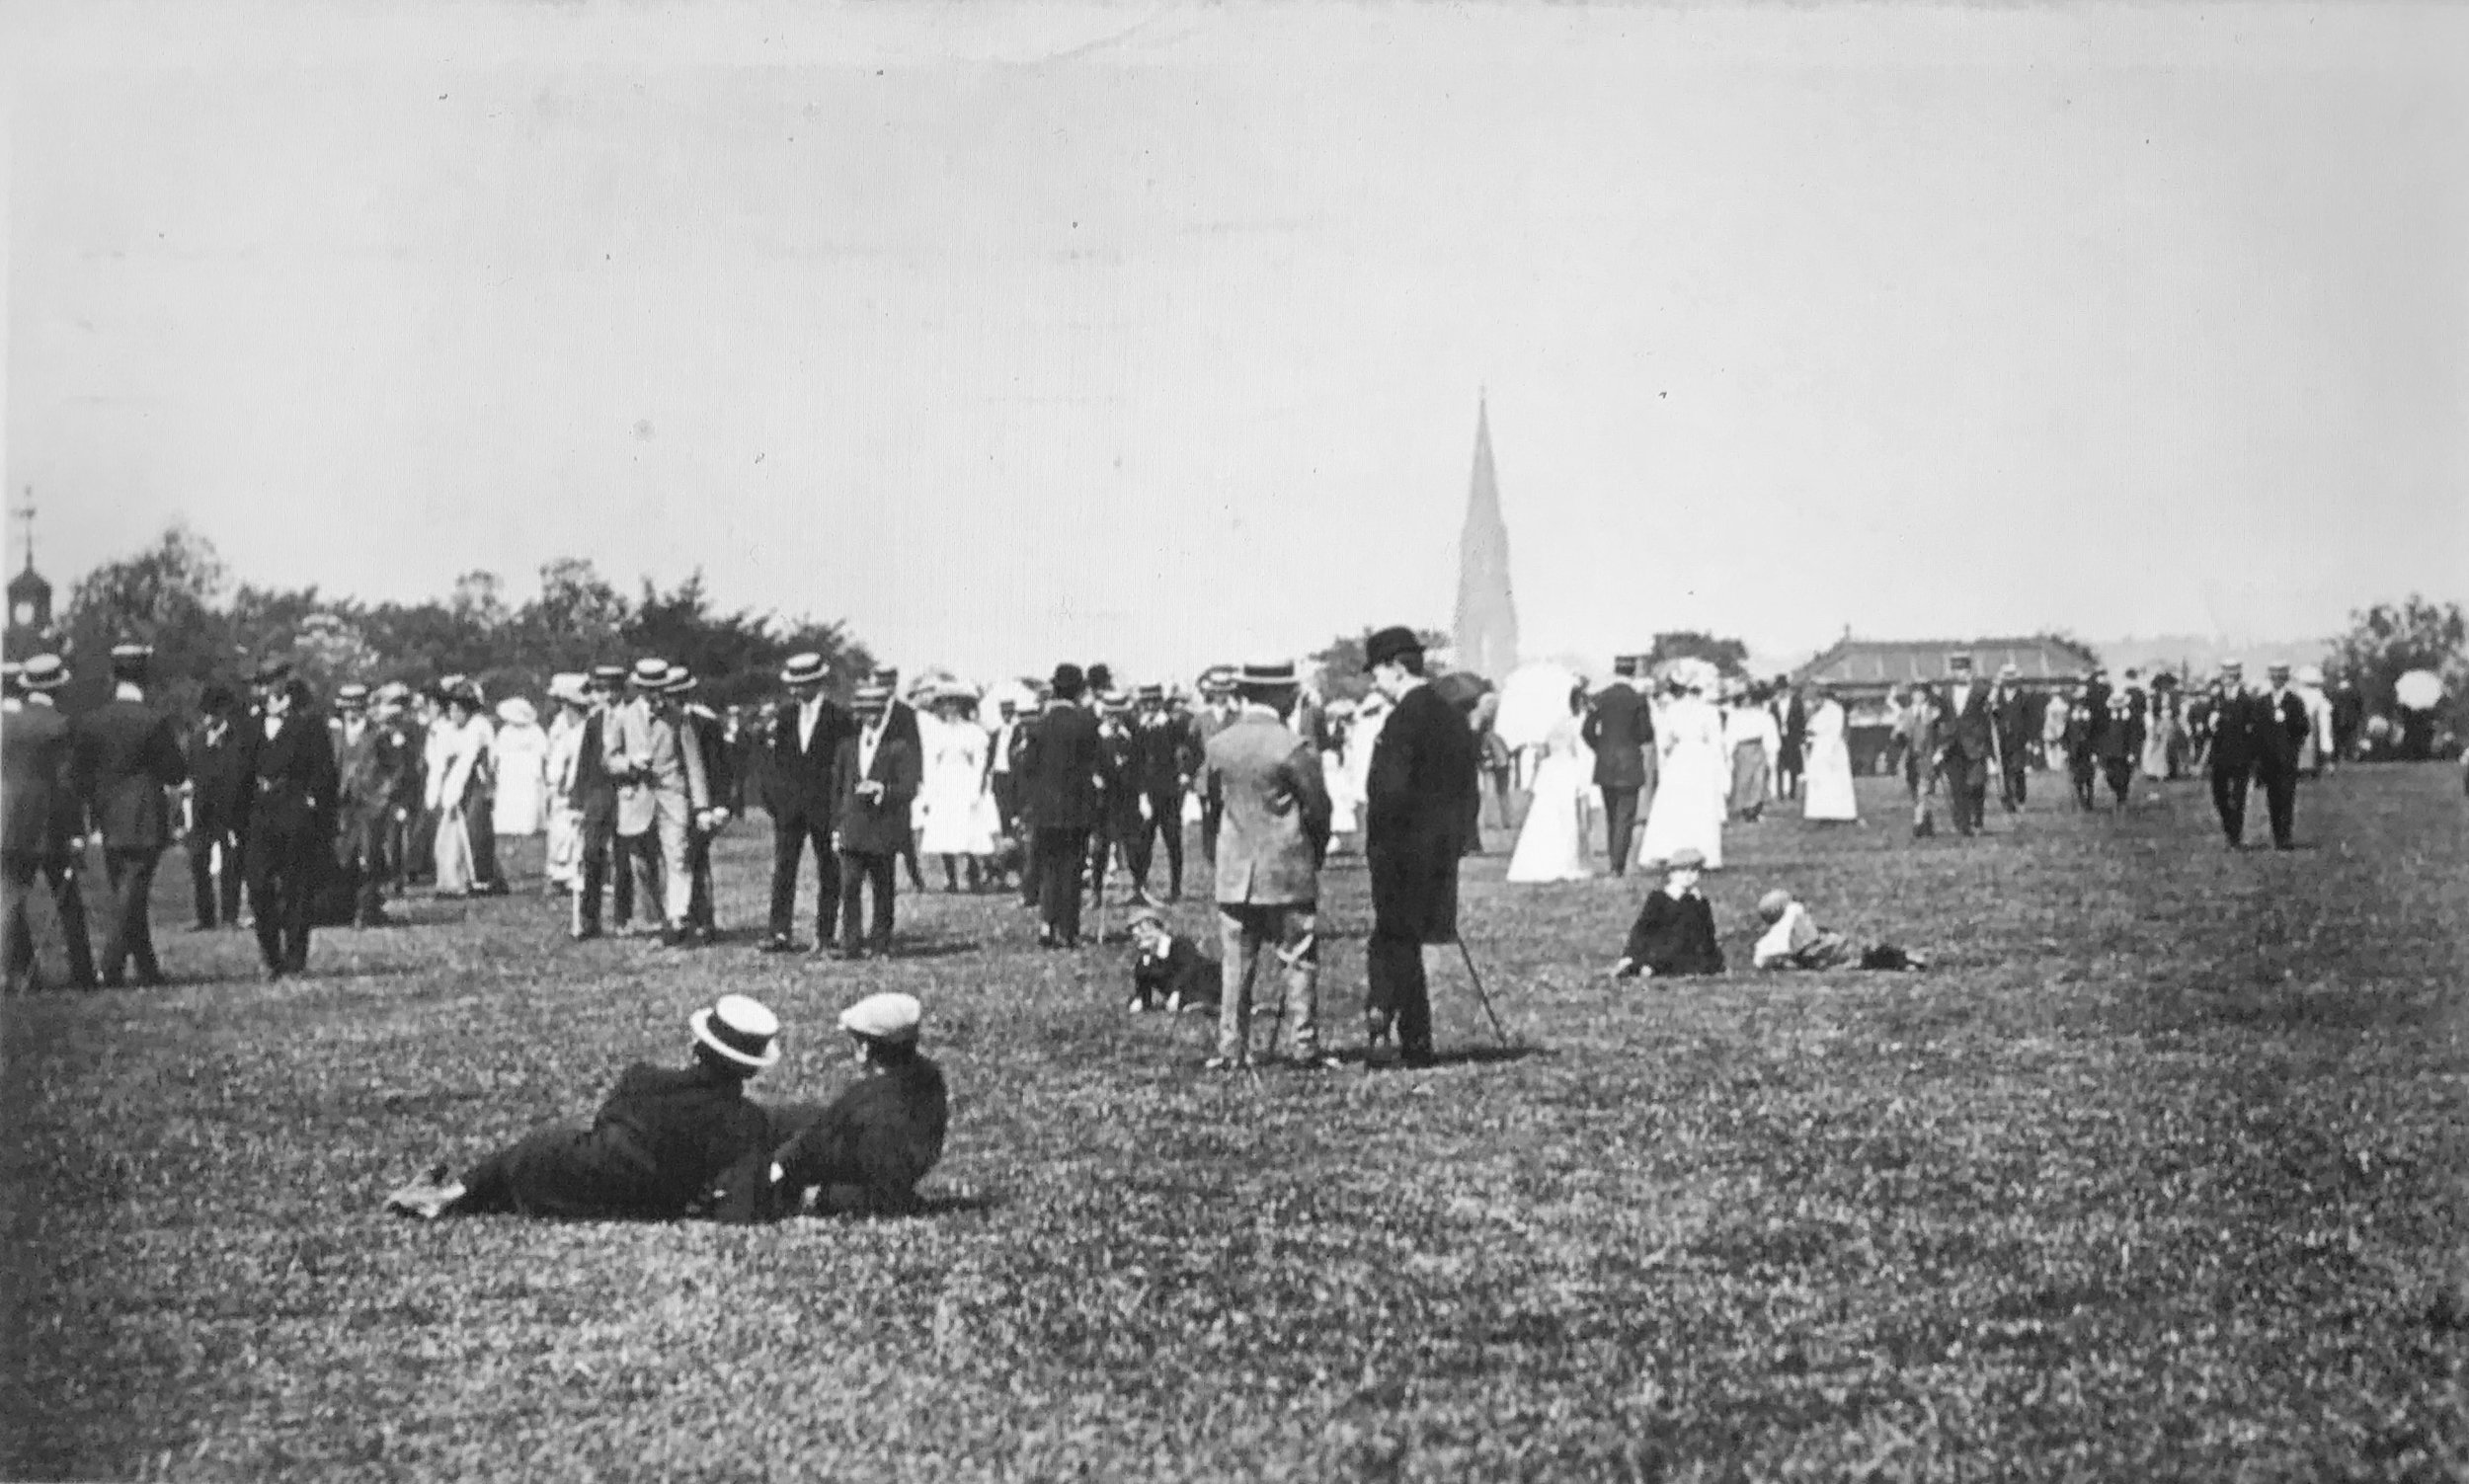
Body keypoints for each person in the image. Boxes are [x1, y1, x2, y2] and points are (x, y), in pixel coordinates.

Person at [387, 994, 783, 1222]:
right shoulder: (744, 1123)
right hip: (644, 1203)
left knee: (537, 1150)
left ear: (697, 1048)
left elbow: (604, 1120)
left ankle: (452, 1194)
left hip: (576, 1172)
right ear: (749, 1070)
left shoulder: (644, 1080)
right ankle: (453, 1196)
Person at [1201, 659, 1334, 1070]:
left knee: (1236, 963)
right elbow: (1318, 807)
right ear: (1282, 695)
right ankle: (1303, 1045)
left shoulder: (1219, 745)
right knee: (1298, 959)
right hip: (1287, 867)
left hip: (1234, 869)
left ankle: (1231, 1048)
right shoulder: (1293, 746)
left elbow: (1211, 801)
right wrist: (1316, 849)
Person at [1360, 627, 1479, 1068]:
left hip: (1400, 853)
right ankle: (1407, 1032)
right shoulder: (1451, 716)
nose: (1375, 682)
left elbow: (1388, 794)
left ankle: (1396, 1027)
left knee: (1394, 941)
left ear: (1395, 667)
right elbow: (1470, 790)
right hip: (1440, 854)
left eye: (1376, 672)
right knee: (1408, 940)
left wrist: (1382, 847)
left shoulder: (1402, 720)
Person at [765, 992, 949, 1218]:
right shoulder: (930, 1078)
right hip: (903, 1168)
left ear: (864, 1049)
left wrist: (776, 1169)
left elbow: (812, 1145)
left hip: (858, 1182)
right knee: (803, 1117)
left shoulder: (864, 1101)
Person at [77, 644, 191, 986]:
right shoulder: (153, 721)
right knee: (131, 895)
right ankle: (110, 967)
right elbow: (175, 772)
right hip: (144, 817)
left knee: (127, 893)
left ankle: (147, 968)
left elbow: (80, 774)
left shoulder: (94, 721)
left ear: (114, 675)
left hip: (109, 817)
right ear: (145, 676)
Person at [3, 655, 99, 992]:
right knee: (68, 901)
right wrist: (77, 832)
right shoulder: (61, 725)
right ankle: (83, 973)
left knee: (11, 900)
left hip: (12, 824)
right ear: (57, 687)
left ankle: (13, 974)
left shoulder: (6, 724)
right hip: (52, 826)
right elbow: (67, 784)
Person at [605, 656, 710, 947]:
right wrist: (629, 764)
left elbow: (694, 764)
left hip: (671, 795)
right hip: (636, 798)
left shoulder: (678, 718)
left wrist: (701, 806)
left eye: (659, 689)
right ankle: (659, 917)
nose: (655, 695)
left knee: (677, 855)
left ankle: (678, 917)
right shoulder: (623, 717)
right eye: (648, 689)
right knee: (642, 864)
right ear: (639, 689)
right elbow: (609, 759)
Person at [244, 662, 339, 980]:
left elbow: (325, 771)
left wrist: (312, 801)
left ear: (284, 683)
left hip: (295, 812)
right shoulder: (250, 726)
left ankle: (295, 958)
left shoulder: (307, 724)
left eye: (272, 682)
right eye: (262, 683)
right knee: (258, 886)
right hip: (259, 814)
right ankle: (271, 954)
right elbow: (238, 772)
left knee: (297, 887)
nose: (267, 689)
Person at [761, 652, 847, 954]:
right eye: (793, 685)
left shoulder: (839, 718)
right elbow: (774, 764)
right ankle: (779, 932)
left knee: (829, 870)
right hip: (790, 809)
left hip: (824, 806)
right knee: (784, 868)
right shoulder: (784, 717)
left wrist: (840, 807)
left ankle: (825, 935)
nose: (795, 691)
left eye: (802, 684)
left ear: (817, 683)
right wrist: (776, 802)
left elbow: (844, 765)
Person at [833, 682, 921, 959]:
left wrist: (882, 789)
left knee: (883, 889)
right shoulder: (847, 747)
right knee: (849, 888)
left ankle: (881, 942)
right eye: (864, 711)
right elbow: (836, 789)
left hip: (882, 829)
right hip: (852, 828)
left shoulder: (899, 748)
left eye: (875, 711)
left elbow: (909, 788)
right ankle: (851, 944)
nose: (869, 717)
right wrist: (836, 826)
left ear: (884, 711)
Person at [1019, 663, 1101, 949]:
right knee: (1072, 869)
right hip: (1077, 809)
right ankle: (1068, 930)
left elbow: (1027, 766)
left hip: (1046, 810)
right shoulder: (1087, 724)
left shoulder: (1039, 726)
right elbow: (1096, 764)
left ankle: (1046, 925)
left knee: (1049, 868)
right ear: (1079, 691)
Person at [330, 681, 411, 928]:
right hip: (342, 805)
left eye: (357, 706)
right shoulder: (336, 733)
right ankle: (347, 908)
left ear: (365, 708)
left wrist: (385, 797)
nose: (352, 712)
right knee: (344, 857)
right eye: (347, 707)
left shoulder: (378, 734)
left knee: (370, 855)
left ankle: (368, 910)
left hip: (370, 805)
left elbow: (396, 768)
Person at [1635, 664, 1725, 871]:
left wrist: (1668, 758)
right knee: (1699, 803)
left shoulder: (1672, 710)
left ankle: (1670, 847)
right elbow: (1716, 742)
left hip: (1680, 757)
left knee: (1676, 803)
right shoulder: (1710, 711)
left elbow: (1664, 742)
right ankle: (1702, 850)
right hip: (1701, 757)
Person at [669, 664, 733, 942]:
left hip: (702, 801)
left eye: (680, 694)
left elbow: (717, 766)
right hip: (673, 799)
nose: (675, 699)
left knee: (696, 857)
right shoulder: (666, 721)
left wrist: (716, 804)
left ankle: (704, 919)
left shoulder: (704, 722)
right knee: (679, 859)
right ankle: (682, 916)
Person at [1506, 682, 1595, 884]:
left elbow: (1545, 750)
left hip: (1551, 770)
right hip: (1566, 770)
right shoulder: (1576, 724)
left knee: (1546, 813)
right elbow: (1578, 751)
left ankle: (1540, 859)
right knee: (1566, 816)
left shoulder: (1555, 723)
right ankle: (1564, 860)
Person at [183, 681, 252, 931]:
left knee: (231, 863)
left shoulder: (237, 738)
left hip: (229, 809)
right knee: (199, 862)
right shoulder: (197, 740)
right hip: (202, 810)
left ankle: (230, 915)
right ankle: (205, 916)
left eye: (214, 712)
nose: (209, 718)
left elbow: (240, 772)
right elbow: (191, 772)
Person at [570, 664, 632, 939]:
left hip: (624, 793)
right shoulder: (594, 721)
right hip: (597, 796)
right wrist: (577, 800)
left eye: (610, 690)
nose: (605, 696)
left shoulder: (632, 718)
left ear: (620, 690)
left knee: (623, 857)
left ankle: (623, 917)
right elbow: (585, 762)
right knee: (592, 853)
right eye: (600, 690)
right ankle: (589, 917)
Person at [916, 685, 998, 893]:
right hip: (943, 781)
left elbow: (980, 762)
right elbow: (930, 762)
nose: (950, 708)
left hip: (964, 780)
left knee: (968, 828)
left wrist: (976, 787)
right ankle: (951, 878)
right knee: (945, 829)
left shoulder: (973, 732)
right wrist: (929, 791)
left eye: (954, 703)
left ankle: (973, 875)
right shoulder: (937, 732)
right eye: (946, 703)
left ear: (962, 706)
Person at [1580, 656, 1653, 875]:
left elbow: (1587, 731)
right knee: (1625, 815)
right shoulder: (1638, 700)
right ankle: (1617, 865)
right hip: (1629, 760)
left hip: (1606, 762)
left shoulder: (1601, 697)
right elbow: (1646, 733)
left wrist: (1600, 747)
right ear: (1633, 672)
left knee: (1612, 814)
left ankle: (1614, 859)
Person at [1608, 847, 1723, 980]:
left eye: (1693, 871)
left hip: (1690, 950)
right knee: (1662, 957)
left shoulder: (1700, 901)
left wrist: (1712, 954)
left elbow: (1708, 932)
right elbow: (1643, 928)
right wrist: (1630, 954)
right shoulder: (1660, 898)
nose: (1687, 876)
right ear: (1671, 874)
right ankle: (1640, 966)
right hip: (1663, 947)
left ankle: (1648, 968)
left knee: (1702, 963)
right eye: (1681, 871)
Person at [1751, 889, 1927, 972]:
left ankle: (1902, 959)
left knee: (1866, 954)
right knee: (1866, 955)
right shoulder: (1790, 921)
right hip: (1826, 952)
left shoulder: (1791, 930)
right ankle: (1904, 959)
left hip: (1827, 949)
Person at [1126, 683, 1192, 903]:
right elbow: (1134, 759)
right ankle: (1140, 886)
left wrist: (1183, 773)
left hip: (1169, 790)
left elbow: (1185, 751)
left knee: (1173, 838)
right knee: (1143, 840)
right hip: (1146, 792)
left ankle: (1176, 888)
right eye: (1147, 702)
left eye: (1155, 701)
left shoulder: (1173, 725)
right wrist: (1139, 790)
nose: (1151, 706)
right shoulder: (1138, 728)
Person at [430, 685, 490, 896]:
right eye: (452, 709)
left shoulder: (478, 727)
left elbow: (469, 760)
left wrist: (456, 789)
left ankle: (481, 878)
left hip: (473, 783)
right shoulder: (446, 730)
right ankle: (452, 880)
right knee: (449, 832)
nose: (454, 714)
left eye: (459, 710)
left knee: (475, 829)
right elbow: (440, 760)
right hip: (453, 783)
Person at [1934, 653, 1996, 836]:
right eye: (1956, 670)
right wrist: (1939, 746)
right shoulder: (1944, 693)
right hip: (1952, 745)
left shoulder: (1981, 691)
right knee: (1957, 787)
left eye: (1963, 670)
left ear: (1969, 671)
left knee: (1976, 784)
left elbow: (1991, 714)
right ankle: (1963, 825)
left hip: (1975, 745)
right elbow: (1941, 718)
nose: (1959, 674)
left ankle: (1977, 819)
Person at [541, 674, 590, 894]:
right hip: (559, 789)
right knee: (558, 831)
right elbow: (553, 754)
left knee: (574, 833)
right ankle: (557, 873)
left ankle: (572, 874)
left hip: (574, 788)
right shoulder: (561, 726)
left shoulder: (584, 730)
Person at [1124, 905, 1220, 1014]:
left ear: (1156, 930)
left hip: (1209, 982)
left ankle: (1206, 1004)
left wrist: (1175, 993)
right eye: (1135, 938)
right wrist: (1139, 1000)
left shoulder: (1179, 944)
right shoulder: (1145, 962)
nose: (1138, 940)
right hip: (1184, 996)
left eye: (1144, 933)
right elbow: (1143, 985)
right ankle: (1194, 1004)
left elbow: (1187, 969)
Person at [2256, 662, 2307, 849]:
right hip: (2268, 758)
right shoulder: (2262, 702)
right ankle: (2277, 833)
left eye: (2280, 677)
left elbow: (2303, 728)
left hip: (2287, 757)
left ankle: (2285, 835)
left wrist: (2293, 747)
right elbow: (2258, 731)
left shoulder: (2294, 702)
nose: (2277, 681)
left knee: (2286, 796)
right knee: (2273, 797)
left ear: (2285, 679)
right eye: (2274, 677)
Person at [491, 696, 550, 840]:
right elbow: (497, 756)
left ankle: (527, 831)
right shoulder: (505, 732)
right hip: (509, 775)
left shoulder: (536, 732)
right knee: (509, 803)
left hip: (528, 776)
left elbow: (544, 755)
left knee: (527, 805)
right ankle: (509, 832)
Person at [1800, 683, 1859, 824]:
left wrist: (1826, 750)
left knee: (1835, 783)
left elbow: (1831, 731)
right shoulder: (1818, 711)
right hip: (1820, 749)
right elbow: (1810, 728)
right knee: (1821, 784)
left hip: (1832, 750)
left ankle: (1839, 814)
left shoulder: (1834, 710)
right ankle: (1823, 814)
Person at [1722, 681, 1779, 824]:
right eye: (1743, 699)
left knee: (1759, 780)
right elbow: (1730, 735)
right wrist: (1728, 753)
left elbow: (1769, 733)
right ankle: (1744, 809)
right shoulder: (1734, 716)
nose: (1746, 702)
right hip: (1742, 749)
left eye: (1749, 698)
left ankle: (1755, 809)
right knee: (1743, 780)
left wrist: (1771, 750)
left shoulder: (1762, 715)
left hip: (1758, 748)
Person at [1898, 679, 1943, 837]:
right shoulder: (1906, 713)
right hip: (1911, 757)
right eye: (1915, 692)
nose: (1918, 696)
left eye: (1922, 692)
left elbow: (1940, 734)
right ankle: (1927, 823)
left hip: (1928, 756)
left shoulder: (1935, 713)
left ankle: (1918, 823)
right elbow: (1899, 739)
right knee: (1916, 792)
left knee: (1924, 789)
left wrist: (1939, 751)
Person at [1990, 663, 2033, 812]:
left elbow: (2031, 719)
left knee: (2018, 769)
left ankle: (2020, 798)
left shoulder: (2024, 696)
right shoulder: (1997, 696)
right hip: (2001, 739)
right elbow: (1990, 713)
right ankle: (2008, 800)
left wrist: (2031, 739)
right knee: (2004, 770)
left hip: (2019, 739)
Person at [1771, 679, 1807, 803]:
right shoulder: (1774, 704)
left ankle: (1792, 792)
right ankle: (1780, 793)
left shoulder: (1796, 702)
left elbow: (1801, 720)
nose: (1781, 692)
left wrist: (1801, 737)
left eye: (1783, 690)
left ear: (1787, 689)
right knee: (1779, 766)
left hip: (1792, 737)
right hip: (1779, 737)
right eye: (1778, 690)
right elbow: (1771, 721)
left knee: (1793, 766)